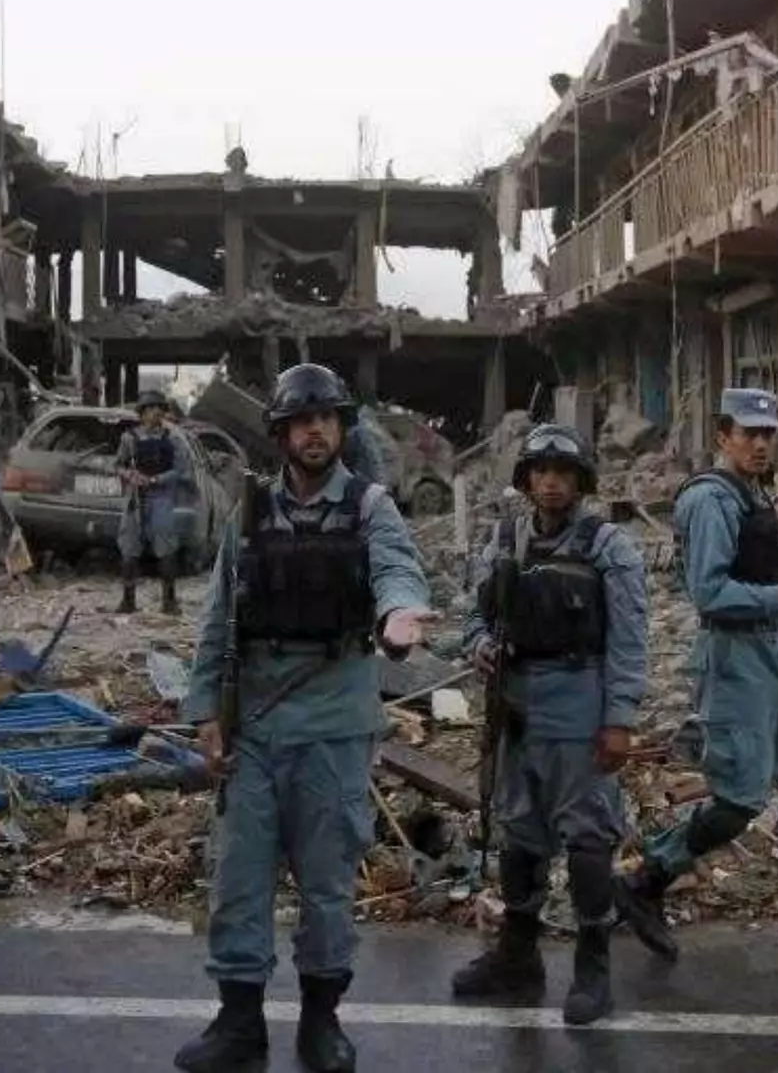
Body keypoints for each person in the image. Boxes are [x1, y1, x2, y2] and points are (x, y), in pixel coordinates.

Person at [176, 362, 438, 1073]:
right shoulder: (252, 513)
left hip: (332, 729)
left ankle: (321, 1022)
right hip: (256, 726)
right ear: (282, 434)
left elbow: (397, 571)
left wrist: (398, 613)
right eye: (301, 420)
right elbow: (218, 617)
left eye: (326, 419)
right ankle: (238, 1024)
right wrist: (205, 711)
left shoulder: (369, 507)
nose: (315, 431)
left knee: (326, 886)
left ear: (341, 429)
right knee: (238, 880)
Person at [610, 388, 778, 959]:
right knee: (739, 800)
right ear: (722, 435)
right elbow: (709, 591)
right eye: (748, 432)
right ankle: (645, 881)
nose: (759, 443)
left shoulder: (758, 495)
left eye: (768, 433)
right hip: (735, 659)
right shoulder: (711, 499)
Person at [452, 423, 646, 1025]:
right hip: (514, 706)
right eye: (541, 472)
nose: (552, 483)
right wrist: (480, 644)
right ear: (526, 479)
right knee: (519, 833)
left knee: (587, 837)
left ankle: (592, 965)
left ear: (581, 482)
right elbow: (472, 614)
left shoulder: (607, 545)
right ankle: (518, 954)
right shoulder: (504, 540)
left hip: (577, 701)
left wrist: (619, 721)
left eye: (564, 473)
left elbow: (630, 638)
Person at [116, 389, 196, 615]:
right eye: (150, 409)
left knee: (166, 549)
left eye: (159, 409)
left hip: (161, 497)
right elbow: (118, 464)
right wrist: (129, 475)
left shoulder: (173, 439)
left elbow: (182, 471)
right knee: (129, 548)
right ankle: (128, 601)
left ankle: (169, 601)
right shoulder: (129, 438)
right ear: (141, 414)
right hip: (135, 498)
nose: (155, 414)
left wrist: (155, 479)